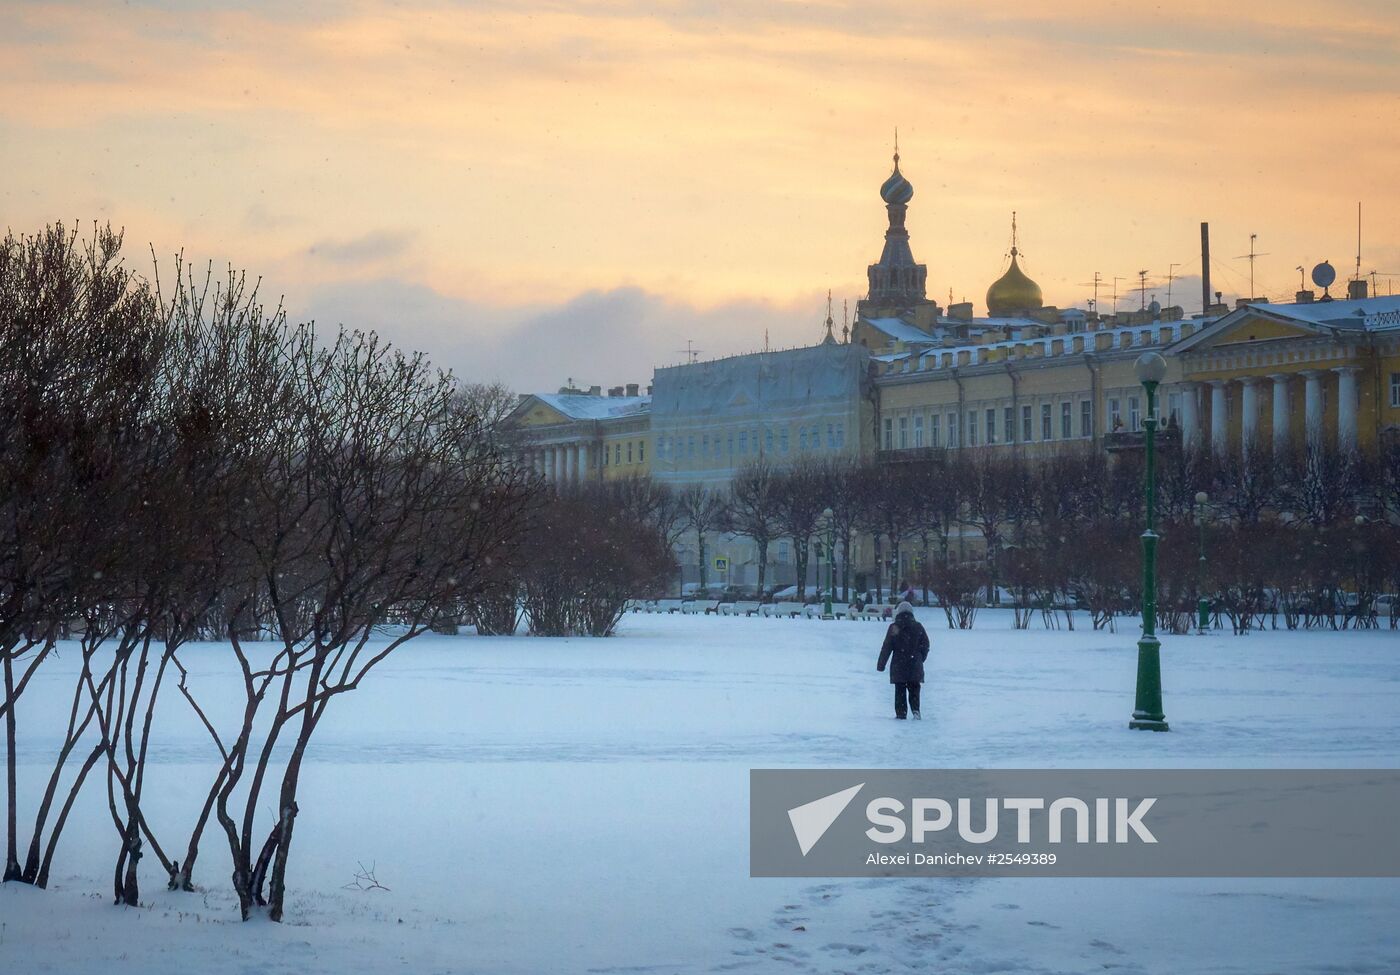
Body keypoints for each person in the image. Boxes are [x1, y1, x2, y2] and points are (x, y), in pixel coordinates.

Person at [876, 601, 929, 720]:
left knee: (900, 690)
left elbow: (887, 647)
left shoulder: (894, 627)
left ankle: (901, 714)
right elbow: (926, 645)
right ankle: (916, 710)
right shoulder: (918, 626)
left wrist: (881, 665)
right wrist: (920, 658)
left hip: (898, 665)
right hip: (915, 665)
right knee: (914, 688)